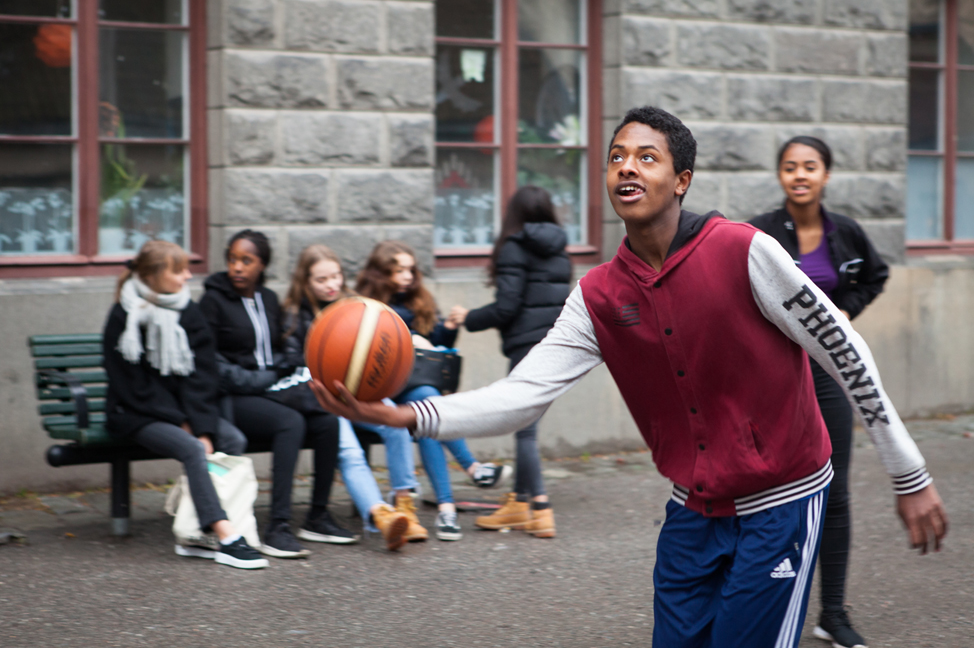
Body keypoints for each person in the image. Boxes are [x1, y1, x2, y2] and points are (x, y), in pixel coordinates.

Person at [310, 106, 948, 648]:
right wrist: (404, 417)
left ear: (681, 181)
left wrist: (908, 472)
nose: (626, 167)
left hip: (780, 505)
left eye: (647, 157)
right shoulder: (597, 295)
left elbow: (845, 352)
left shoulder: (744, 250)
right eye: (617, 156)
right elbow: (521, 397)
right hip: (690, 514)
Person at [749, 136, 890, 648]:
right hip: (773, 379)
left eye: (810, 167)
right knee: (769, 490)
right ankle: (767, 602)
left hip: (828, 377)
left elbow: (875, 276)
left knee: (835, 491)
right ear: (781, 176)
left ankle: (832, 611)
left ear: (826, 175)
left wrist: (845, 313)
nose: (800, 175)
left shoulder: (846, 233)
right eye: (790, 167)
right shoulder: (760, 233)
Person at [103, 240, 267, 569]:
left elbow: (202, 375)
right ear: (151, 275)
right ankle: (226, 537)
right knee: (193, 449)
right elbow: (131, 385)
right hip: (136, 413)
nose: (187, 277)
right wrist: (183, 423)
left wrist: (203, 425)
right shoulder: (124, 314)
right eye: (178, 271)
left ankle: (196, 533)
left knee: (232, 439)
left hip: (182, 412)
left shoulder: (186, 310)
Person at [200, 230, 351, 559]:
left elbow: (283, 350)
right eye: (232, 260)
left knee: (327, 420)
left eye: (247, 261)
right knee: (290, 422)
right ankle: (277, 527)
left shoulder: (268, 298)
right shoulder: (212, 302)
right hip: (232, 397)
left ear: (262, 264)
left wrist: (287, 366)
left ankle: (317, 516)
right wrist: (264, 378)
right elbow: (212, 365)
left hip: (271, 390)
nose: (237, 267)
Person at [355, 241, 511, 541]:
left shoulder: (420, 300)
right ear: (381, 272)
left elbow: (434, 340)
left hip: (416, 386)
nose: (407, 276)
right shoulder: (369, 306)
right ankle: (472, 469)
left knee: (426, 414)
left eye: (410, 269)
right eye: (398, 270)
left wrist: (450, 327)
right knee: (428, 404)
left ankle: (447, 509)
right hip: (384, 391)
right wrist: (408, 339)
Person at [281, 243, 425, 547]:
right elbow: (291, 363)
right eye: (321, 280)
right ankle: (380, 516)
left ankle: (404, 505)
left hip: (362, 393)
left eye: (335, 276)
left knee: (396, 423)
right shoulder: (294, 315)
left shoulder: (356, 309)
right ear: (305, 282)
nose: (331, 284)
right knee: (349, 451)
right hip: (325, 398)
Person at [449, 186, 571, 538]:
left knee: (524, 430)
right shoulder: (560, 249)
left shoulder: (514, 247)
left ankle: (541, 509)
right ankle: (518, 504)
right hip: (556, 345)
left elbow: (507, 307)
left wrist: (468, 316)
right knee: (527, 425)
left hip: (525, 348)